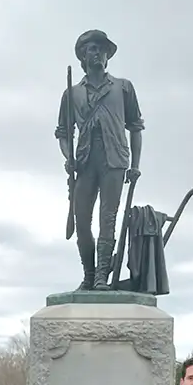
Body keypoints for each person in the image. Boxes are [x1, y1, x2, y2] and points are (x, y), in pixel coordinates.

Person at [56, 30, 144, 289]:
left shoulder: (123, 87)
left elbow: (136, 127)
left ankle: (102, 277)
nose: (98, 53)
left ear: (108, 56)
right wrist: (68, 156)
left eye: (102, 49)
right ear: (83, 55)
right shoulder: (71, 94)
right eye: (92, 49)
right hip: (84, 162)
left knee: (109, 218)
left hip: (114, 160)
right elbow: (63, 134)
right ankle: (89, 275)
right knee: (82, 221)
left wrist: (136, 166)